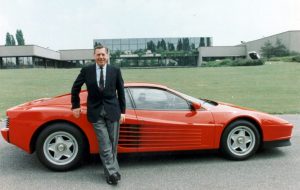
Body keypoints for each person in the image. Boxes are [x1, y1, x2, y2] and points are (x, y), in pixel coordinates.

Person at [71, 45, 126, 185]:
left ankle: (112, 171)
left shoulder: (115, 70)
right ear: (94, 56)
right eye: (98, 55)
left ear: (107, 56)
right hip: (96, 112)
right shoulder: (86, 70)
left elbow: (121, 91)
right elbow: (75, 87)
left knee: (112, 144)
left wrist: (123, 112)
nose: (101, 57)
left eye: (103, 54)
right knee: (104, 143)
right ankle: (112, 174)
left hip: (113, 112)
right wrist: (76, 105)